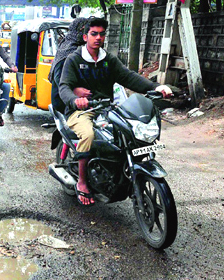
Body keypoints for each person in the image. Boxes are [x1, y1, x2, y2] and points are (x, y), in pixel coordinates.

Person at [59, 17, 172, 206]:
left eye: (102, 34)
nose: (98, 38)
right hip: (82, 111)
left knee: (128, 133)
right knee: (87, 134)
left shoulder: (108, 60)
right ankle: (82, 182)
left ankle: (119, 173)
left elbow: (129, 77)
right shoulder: (74, 59)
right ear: (85, 36)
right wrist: (74, 99)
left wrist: (156, 87)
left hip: (108, 108)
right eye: (94, 34)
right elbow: (64, 86)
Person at [48, 17, 88, 114]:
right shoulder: (69, 50)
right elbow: (60, 79)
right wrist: (75, 91)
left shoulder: (74, 45)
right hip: (64, 101)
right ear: (79, 30)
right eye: (85, 31)